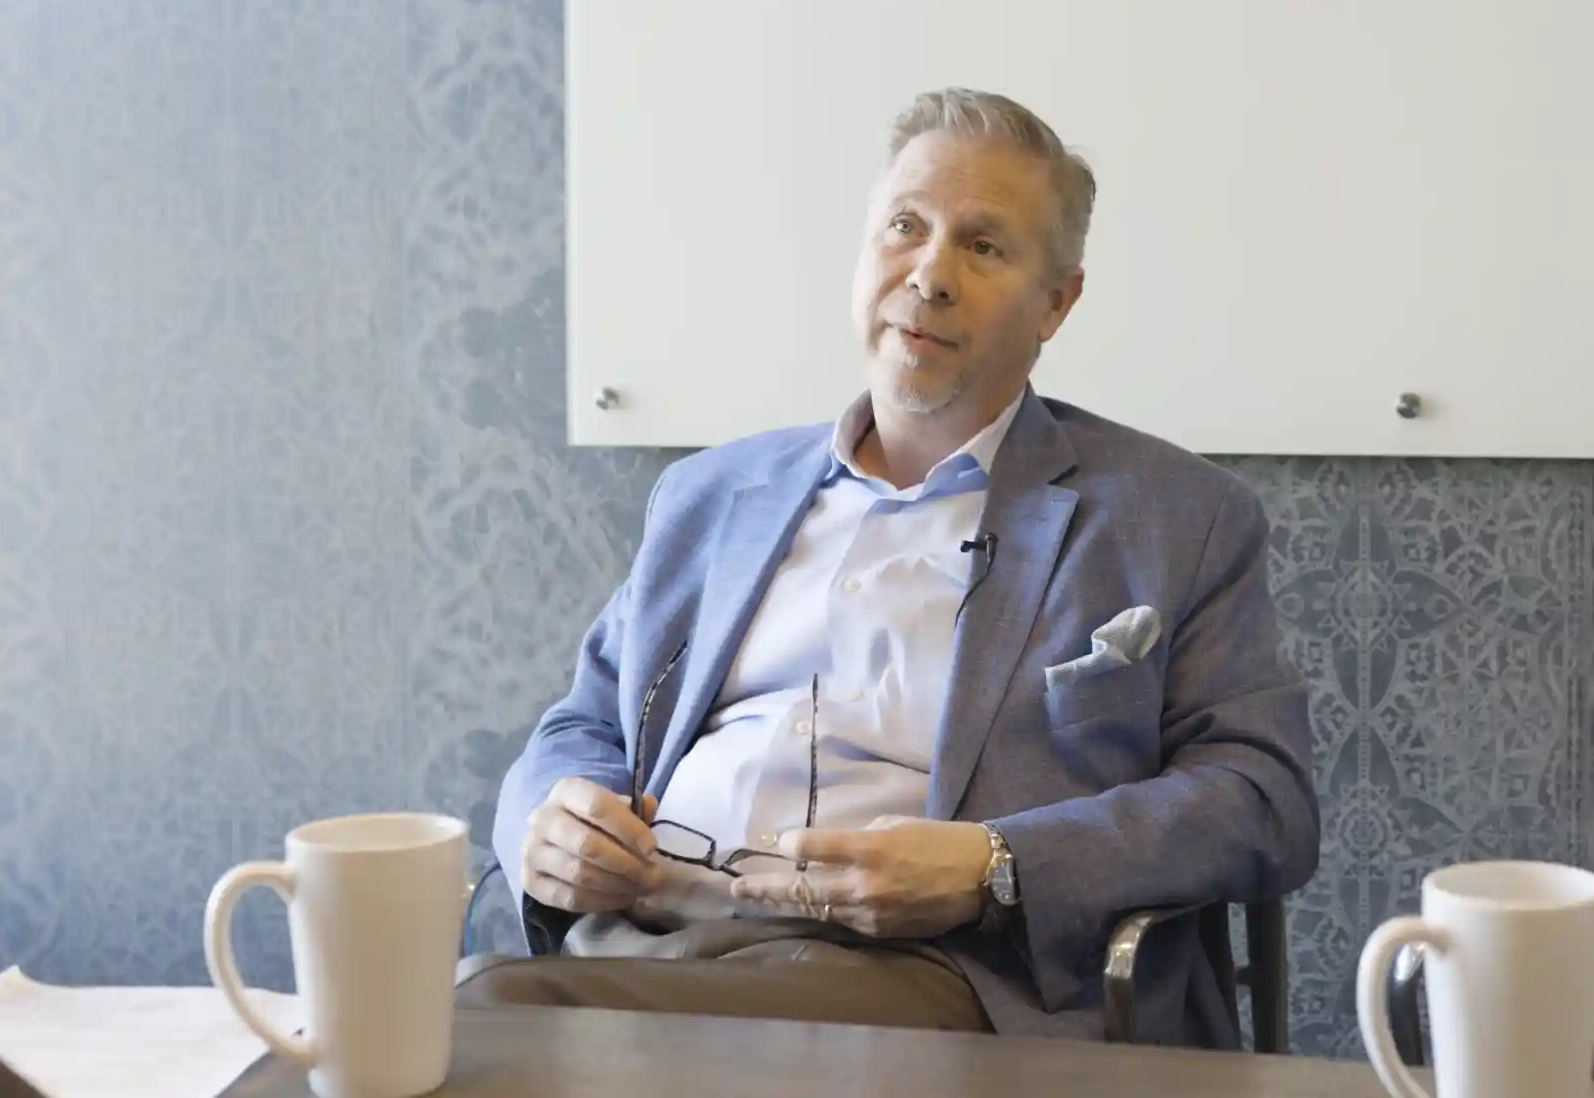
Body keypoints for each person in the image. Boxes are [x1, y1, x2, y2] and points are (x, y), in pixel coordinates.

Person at [466, 89, 1320, 1047]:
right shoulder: (711, 494)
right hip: (645, 941)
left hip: (941, 978)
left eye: (983, 246)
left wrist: (995, 867)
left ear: (1057, 302)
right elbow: (585, 721)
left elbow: (1262, 800)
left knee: (478, 1019)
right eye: (906, 227)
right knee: (470, 1015)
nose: (930, 274)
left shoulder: (1174, 517)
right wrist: (554, 819)